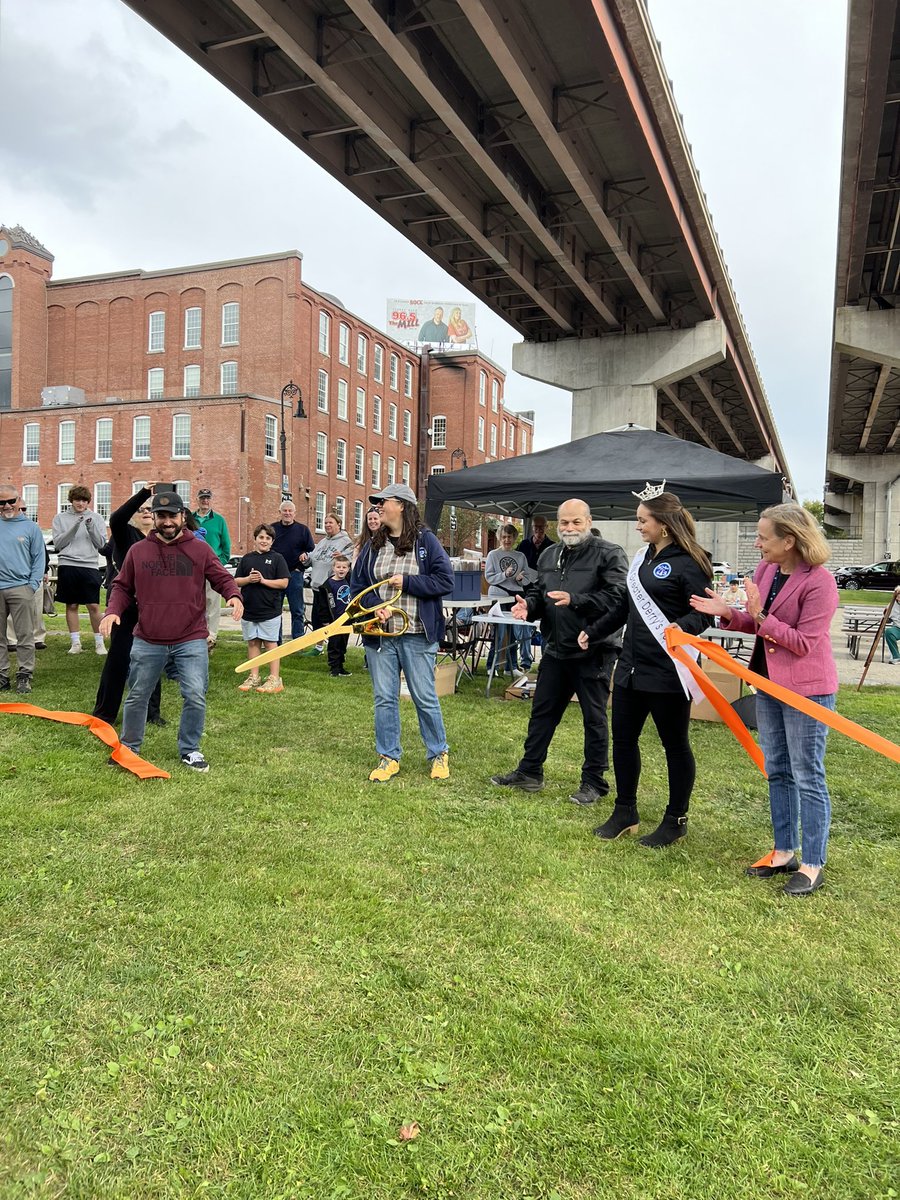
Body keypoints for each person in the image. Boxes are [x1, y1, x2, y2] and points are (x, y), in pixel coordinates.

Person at [690, 503, 839, 895]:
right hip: (768, 685)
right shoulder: (766, 571)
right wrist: (729, 613)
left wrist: (758, 613)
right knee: (777, 769)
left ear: (789, 540)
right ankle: (783, 851)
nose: (756, 543)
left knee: (808, 774)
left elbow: (803, 644)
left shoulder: (820, 582)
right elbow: (758, 626)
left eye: (763, 537)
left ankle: (812, 863)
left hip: (807, 690)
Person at [582, 491, 712, 847]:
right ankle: (625, 811)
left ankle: (676, 819)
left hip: (669, 669)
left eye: (643, 520)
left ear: (665, 525)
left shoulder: (690, 562)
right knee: (623, 740)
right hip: (631, 667)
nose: (638, 526)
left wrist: (679, 629)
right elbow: (626, 608)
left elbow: (703, 613)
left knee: (675, 744)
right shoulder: (641, 559)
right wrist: (592, 633)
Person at [490, 499, 628, 805]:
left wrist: (576, 600)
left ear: (589, 521)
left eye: (576, 522)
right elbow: (540, 591)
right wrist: (530, 605)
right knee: (542, 713)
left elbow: (618, 599)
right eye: (564, 522)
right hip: (555, 648)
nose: (569, 528)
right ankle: (530, 771)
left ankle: (594, 783)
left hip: (593, 648)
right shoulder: (550, 554)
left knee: (594, 718)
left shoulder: (609, 553)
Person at [99, 491, 243, 773]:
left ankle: (190, 749)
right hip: (148, 638)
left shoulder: (199, 549)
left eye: (172, 516)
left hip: (190, 638)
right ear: (153, 517)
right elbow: (122, 586)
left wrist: (234, 595)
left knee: (195, 694)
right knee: (138, 694)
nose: (167, 521)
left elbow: (221, 577)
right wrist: (113, 610)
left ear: (182, 517)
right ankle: (129, 748)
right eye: (161, 516)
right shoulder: (138, 551)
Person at [350, 483, 452, 782]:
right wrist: (375, 606)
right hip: (381, 635)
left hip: (417, 633)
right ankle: (388, 757)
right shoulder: (372, 546)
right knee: (384, 697)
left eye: (384, 502)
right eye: (378, 503)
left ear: (403, 506)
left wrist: (407, 582)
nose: (379, 506)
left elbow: (445, 581)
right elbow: (358, 589)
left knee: (424, 696)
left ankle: (438, 754)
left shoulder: (427, 542)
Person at [92, 485, 165, 726]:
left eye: (149, 510)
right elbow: (117, 517)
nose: (145, 512)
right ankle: (105, 713)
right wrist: (144, 493)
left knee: (153, 658)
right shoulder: (125, 535)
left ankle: (151, 713)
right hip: (125, 605)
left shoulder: (161, 539)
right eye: (141, 510)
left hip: (152, 607)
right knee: (120, 658)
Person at [52, 485, 108, 656]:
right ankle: (75, 642)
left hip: (89, 565)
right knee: (72, 604)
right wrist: (76, 525)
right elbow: (59, 544)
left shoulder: (96, 518)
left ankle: (99, 643)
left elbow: (101, 544)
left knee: (93, 605)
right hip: (68, 564)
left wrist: (90, 527)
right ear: (71, 500)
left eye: (84, 500)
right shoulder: (60, 518)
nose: (81, 504)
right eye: (77, 500)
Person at [233, 524, 289, 694]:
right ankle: (254, 676)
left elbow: (284, 582)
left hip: (270, 609)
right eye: (261, 537)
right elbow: (235, 581)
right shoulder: (247, 559)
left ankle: (274, 678)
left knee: (271, 643)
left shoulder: (278, 558)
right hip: (250, 608)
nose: (264, 541)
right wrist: (249, 579)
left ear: (272, 541)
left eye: (267, 538)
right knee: (253, 642)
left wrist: (264, 581)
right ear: (255, 539)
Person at [0, 485, 45, 694]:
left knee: (25, 635)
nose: (7, 506)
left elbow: (39, 558)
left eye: (11, 501)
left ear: (19, 500)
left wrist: (32, 585)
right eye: (2, 503)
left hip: (21, 588)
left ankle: (24, 675)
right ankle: (2, 676)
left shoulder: (31, 528)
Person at [484, 523, 533, 674]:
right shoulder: (493, 555)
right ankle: (491, 666)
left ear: (514, 538)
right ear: (499, 537)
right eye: (504, 537)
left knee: (512, 633)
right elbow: (489, 577)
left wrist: (520, 579)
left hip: (515, 596)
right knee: (499, 632)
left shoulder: (520, 556)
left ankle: (510, 667)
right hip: (498, 596)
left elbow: (527, 578)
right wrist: (504, 574)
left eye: (509, 537)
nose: (507, 540)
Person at [5, 502, 49, 654]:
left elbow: (41, 554)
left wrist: (41, 573)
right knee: (11, 614)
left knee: (36, 610)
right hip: (11, 581)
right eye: (21, 508)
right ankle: (12, 639)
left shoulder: (31, 527)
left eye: (25, 508)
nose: (22, 511)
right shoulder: (7, 527)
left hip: (31, 578)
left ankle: (38, 638)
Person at [192, 488, 232, 648]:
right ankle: (193, 634)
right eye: (202, 498)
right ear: (197, 499)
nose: (205, 501)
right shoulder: (189, 519)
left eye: (208, 498)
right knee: (193, 602)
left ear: (211, 500)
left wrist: (217, 565)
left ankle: (211, 637)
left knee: (212, 603)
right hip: (192, 570)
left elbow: (226, 548)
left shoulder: (219, 520)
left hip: (211, 569)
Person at [270, 501, 314, 641]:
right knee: (276, 610)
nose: (287, 513)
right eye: (285, 511)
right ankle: (276, 641)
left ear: (294, 513)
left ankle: (298, 640)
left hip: (295, 574)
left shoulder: (303, 530)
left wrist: (302, 563)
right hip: (276, 576)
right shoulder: (272, 529)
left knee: (297, 610)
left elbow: (311, 551)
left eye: (290, 511)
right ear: (280, 512)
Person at [308, 513, 354, 633]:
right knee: (317, 618)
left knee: (330, 618)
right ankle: (318, 647)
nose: (327, 525)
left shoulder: (346, 541)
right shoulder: (322, 541)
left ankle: (335, 645)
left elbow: (351, 562)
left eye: (330, 522)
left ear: (339, 524)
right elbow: (312, 559)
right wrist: (305, 558)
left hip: (331, 588)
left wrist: (342, 557)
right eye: (326, 523)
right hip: (317, 586)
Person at [326, 554, 353, 677]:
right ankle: (334, 667)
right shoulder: (328, 584)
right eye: (338, 567)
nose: (341, 569)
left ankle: (341, 666)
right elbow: (325, 603)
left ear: (348, 569)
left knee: (343, 643)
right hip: (335, 619)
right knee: (334, 643)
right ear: (333, 568)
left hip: (346, 618)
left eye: (344, 567)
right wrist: (326, 619)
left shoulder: (349, 581)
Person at [884, 585, 900, 664]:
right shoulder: (892, 604)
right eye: (898, 595)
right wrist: (886, 618)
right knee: (889, 632)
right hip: (897, 628)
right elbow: (886, 617)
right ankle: (896, 656)